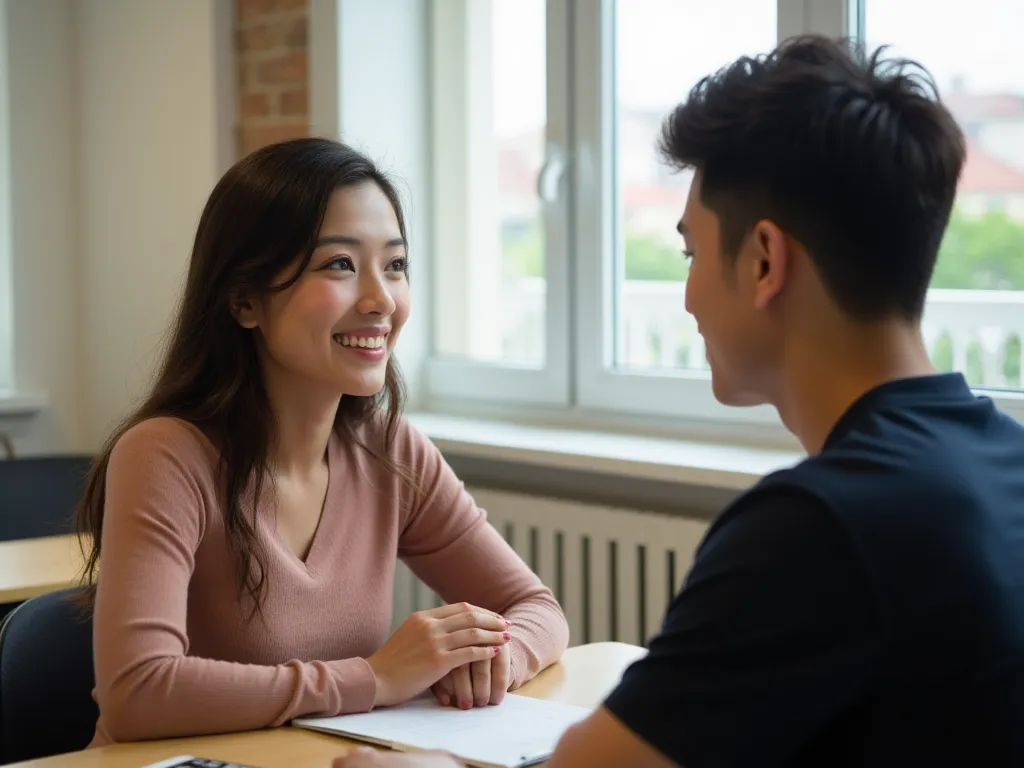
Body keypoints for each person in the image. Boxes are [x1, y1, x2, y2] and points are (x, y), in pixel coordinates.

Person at [334, 34, 1024, 768]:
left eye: (691, 253)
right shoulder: (1002, 459)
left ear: (764, 261)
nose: (688, 298)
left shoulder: (817, 527)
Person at [75, 138, 569, 746]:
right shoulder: (165, 456)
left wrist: (498, 660)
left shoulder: (391, 452)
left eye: (394, 265)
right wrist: (374, 678)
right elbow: (137, 693)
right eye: (339, 264)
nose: (381, 300)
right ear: (244, 300)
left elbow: (535, 607)